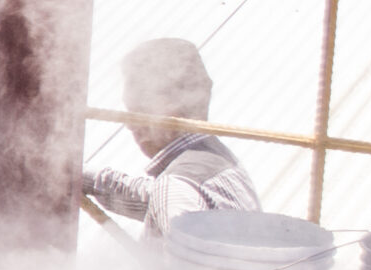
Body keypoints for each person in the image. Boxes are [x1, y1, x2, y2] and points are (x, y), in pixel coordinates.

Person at [84, 38, 260, 241]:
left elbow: (188, 269)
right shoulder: (219, 161)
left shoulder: (177, 185)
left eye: (136, 111)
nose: (130, 125)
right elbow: (154, 196)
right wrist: (85, 177)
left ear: (170, 105)